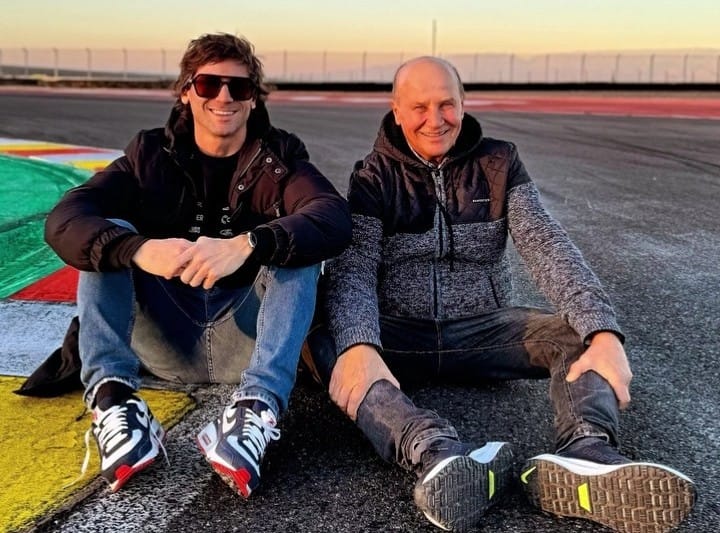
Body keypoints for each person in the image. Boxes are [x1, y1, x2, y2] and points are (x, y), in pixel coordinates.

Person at [306, 56, 696, 532]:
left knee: (579, 337)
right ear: (397, 110)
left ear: (463, 103)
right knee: (327, 339)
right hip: (401, 336)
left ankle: (588, 453)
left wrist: (603, 330)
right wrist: (360, 346)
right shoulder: (373, 177)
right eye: (420, 107)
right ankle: (434, 452)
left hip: (483, 331)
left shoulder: (499, 162)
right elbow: (356, 267)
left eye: (447, 104)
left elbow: (546, 243)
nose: (436, 119)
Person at [44, 33, 351, 497]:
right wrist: (139, 249)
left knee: (296, 245)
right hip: (164, 341)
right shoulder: (149, 156)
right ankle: (116, 402)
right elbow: (64, 220)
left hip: (244, 339)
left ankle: (255, 408)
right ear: (186, 91)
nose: (224, 97)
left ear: (253, 100)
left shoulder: (278, 158)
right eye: (209, 85)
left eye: (239, 87)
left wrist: (249, 243)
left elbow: (331, 217)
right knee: (107, 231)